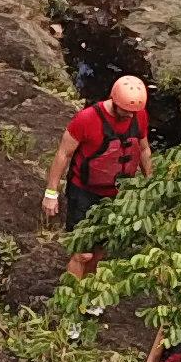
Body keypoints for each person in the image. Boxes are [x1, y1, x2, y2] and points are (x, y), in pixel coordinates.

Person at [42, 73, 152, 276]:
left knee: (100, 251)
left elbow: (144, 150)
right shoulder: (87, 119)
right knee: (83, 252)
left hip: (118, 194)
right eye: (126, 111)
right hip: (84, 192)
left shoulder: (139, 116)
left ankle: (88, 295)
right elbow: (63, 154)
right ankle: (72, 299)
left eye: (133, 112)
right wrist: (51, 192)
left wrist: (149, 183)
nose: (130, 115)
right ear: (114, 100)